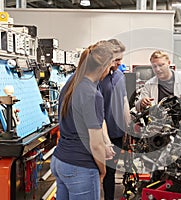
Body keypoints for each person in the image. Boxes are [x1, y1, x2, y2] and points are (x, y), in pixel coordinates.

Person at [50, 41, 117, 200]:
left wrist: (106, 143)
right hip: (80, 166)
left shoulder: (73, 81)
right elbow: (95, 144)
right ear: (103, 67)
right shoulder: (91, 93)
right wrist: (102, 170)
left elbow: (98, 122)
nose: (109, 72)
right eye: (110, 67)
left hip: (61, 161)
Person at [135, 50, 181, 130]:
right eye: (154, 66)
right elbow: (139, 106)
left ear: (168, 63)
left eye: (161, 65)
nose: (158, 69)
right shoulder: (149, 85)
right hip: (160, 129)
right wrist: (142, 102)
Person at [98, 39, 130, 200]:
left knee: (111, 171)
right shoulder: (98, 78)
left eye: (121, 59)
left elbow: (124, 101)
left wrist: (128, 128)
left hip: (117, 133)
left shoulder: (119, 75)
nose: (119, 63)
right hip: (99, 133)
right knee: (99, 172)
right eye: (116, 59)